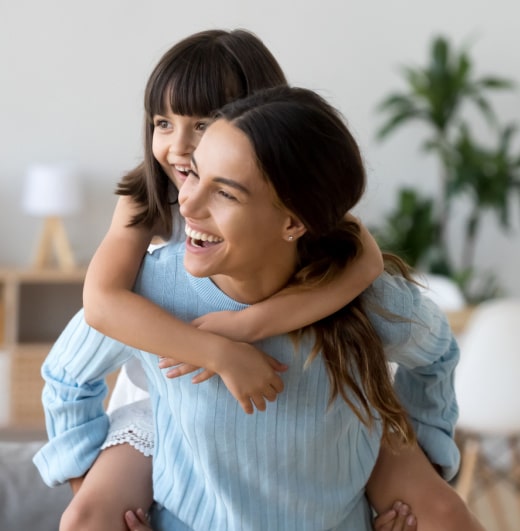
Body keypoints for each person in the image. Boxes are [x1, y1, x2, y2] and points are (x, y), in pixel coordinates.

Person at [34, 86, 484, 530]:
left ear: (292, 222)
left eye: (225, 194)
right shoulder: (151, 292)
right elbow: (66, 379)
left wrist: (427, 456)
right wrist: (84, 482)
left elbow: (438, 356)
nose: (186, 203)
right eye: (193, 174)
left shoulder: (364, 297)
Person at [70, 28, 385, 530]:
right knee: (88, 515)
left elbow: (365, 263)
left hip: (261, 406)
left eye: (201, 124)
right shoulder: (144, 199)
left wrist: (249, 325)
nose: (177, 146)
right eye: (162, 123)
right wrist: (218, 352)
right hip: (159, 399)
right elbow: (102, 303)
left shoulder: (286, 203)